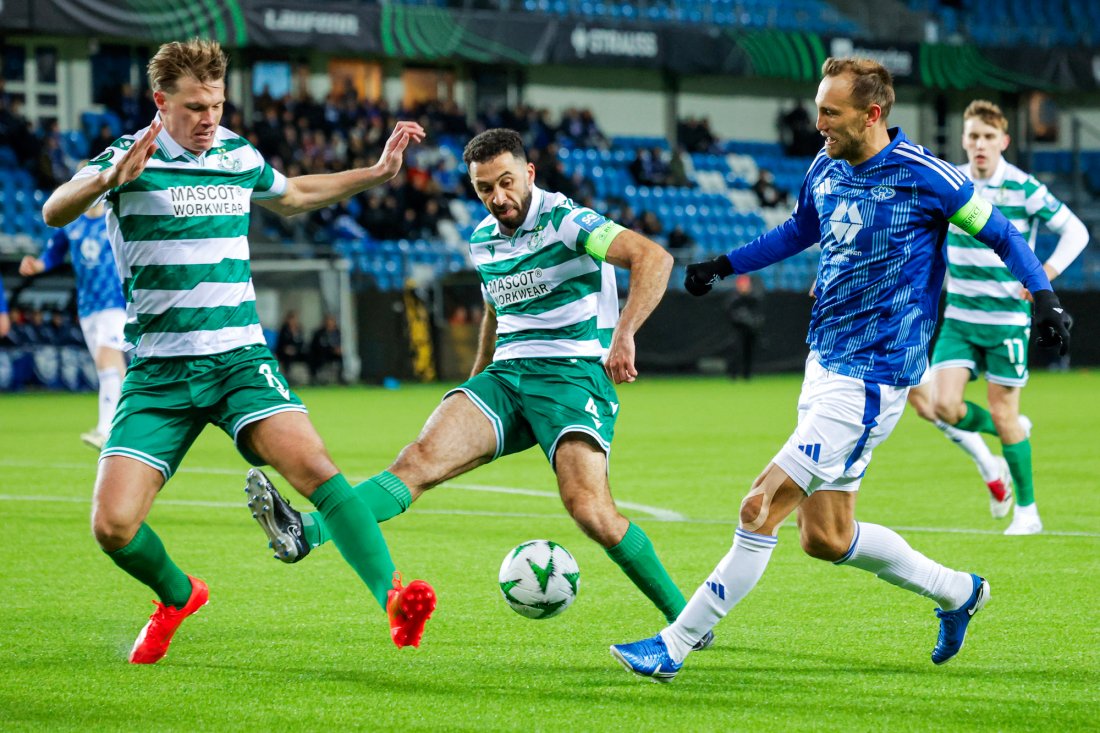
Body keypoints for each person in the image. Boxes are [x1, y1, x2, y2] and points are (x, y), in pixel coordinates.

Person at [610, 57, 1070, 682]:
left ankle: (674, 645)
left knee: (759, 506)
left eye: (831, 112)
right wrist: (725, 263)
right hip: (823, 364)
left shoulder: (926, 178)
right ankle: (960, 592)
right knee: (825, 537)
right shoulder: (826, 163)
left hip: (872, 381)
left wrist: (1043, 295)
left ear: (872, 114)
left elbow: (1005, 236)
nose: (817, 121)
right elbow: (801, 228)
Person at [41, 38, 435, 665]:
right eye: (195, 107)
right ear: (160, 102)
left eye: (218, 105)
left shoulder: (234, 153)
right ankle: (176, 595)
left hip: (238, 362)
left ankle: (391, 597)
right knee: (112, 527)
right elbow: (55, 209)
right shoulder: (129, 157)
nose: (209, 119)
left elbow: (296, 195)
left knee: (318, 470)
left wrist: (376, 174)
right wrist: (109, 180)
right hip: (160, 375)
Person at [248, 128, 712, 643]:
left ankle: (687, 622)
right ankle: (306, 532)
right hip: (506, 378)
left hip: (572, 375)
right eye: (484, 188)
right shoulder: (483, 240)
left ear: (529, 174)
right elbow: (495, 310)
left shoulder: (569, 222)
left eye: (507, 183)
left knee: (591, 512)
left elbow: (655, 258)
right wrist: (475, 385)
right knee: (416, 461)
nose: (498, 198)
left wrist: (624, 334)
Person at [905, 100, 1087, 536]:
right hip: (961, 317)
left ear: (1003, 141)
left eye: (988, 137)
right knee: (941, 406)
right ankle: (1011, 435)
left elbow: (1076, 230)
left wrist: (1046, 274)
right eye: (973, 137)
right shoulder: (951, 183)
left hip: (1006, 320)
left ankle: (1028, 512)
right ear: (964, 141)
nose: (980, 145)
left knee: (1002, 410)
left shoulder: (1025, 189)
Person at [20, 200, 127, 449]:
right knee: (115, 370)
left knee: (106, 360)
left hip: (115, 302)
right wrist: (37, 265)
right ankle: (128, 426)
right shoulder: (72, 224)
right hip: (87, 307)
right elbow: (54, 253)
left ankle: (105, 431)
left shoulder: (115, 218)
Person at [725, 274, 764, 379]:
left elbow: (758, 313)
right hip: (738, 330)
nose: (744, 287)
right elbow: (730, 313)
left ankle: (747, 374)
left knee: (749, 352)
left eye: (746, 284)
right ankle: (733, 374)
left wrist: (754, 322)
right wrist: (742, 319)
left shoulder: (754, 298)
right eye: (742, 285)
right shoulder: (734, 298)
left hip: (751, 330)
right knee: (736, 351)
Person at [309, 313, 343, 384]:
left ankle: (340, 377)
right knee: (316, 358)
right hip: (320, 353)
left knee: (340, 357)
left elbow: (339, 344)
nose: (330, 323)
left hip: (333, 354)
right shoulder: (319, 333)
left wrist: (338, 349)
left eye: (331, 321)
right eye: (328, 321)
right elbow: (316, 346)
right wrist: (331, 349)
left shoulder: (337, 332)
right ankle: (315, 378)